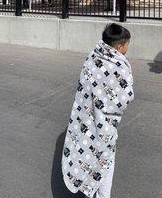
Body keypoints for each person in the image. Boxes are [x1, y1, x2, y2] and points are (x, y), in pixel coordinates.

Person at [62, 23, 134, 198]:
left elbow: (84, 85)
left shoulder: (93, 56)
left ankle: (90, 190)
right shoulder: (117, 65)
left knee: (91, 157)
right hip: (104, 126)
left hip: (85, 118)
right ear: (119, 47)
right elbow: (126, 97)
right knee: (105, 162)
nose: (128, 47)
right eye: (127, 44)